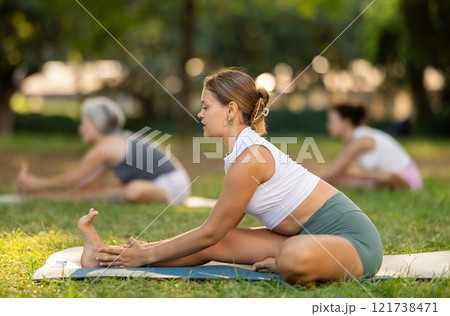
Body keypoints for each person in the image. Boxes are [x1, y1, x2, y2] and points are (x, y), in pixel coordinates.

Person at [78, 69, 383, 285]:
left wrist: (151, 252)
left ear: (230, 111)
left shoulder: (250, 157)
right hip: (301, 238)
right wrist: (146, 252)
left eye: (206, 106)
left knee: (291, 257)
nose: (200, 114)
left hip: (353, 244)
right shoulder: (238, 156)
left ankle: (288, 262)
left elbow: (209, 231)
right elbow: (215, 236)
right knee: (218, 243)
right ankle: (105, 257)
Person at [17, 97, 190, 204]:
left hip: (172, 186)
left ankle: (39, 195)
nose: (80, 129)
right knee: (101, 189)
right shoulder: (114, 142)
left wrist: (35, 183)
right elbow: (82, 182)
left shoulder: (107, 146)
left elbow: (70, 178)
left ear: (96, 123)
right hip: (174, 183)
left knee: (126, 191)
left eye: (84, 122)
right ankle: (41, 197)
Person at [320, 103, 423, 191]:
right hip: (381, 178)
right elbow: (338, 172)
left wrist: (307, 179)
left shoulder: (361, 140)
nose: (327, 126)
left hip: (407, 180)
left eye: (332, 121)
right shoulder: (353, 140)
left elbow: (335, 170)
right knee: (341, 179)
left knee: (384, 177)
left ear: (346, 122)